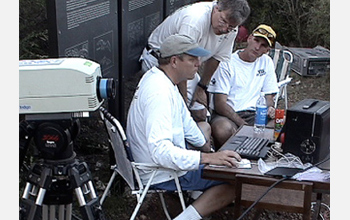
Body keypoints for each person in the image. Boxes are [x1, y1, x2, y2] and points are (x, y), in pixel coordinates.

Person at [127, 34, 242, 220]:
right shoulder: (160, 93)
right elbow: (161, 151)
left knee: (206, 135)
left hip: (157, 162)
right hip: (160, 171)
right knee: (235, 182)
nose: (199, 63)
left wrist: (211, 152)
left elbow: (188, 125)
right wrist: (208, 157)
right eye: (192, 59)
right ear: (174, 61)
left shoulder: (161, 80)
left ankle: (196, 199)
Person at [139, 0, 250, 123]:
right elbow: (181, 60)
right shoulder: (195, 20)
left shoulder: (231, 30)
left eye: (230, 27)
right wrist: (184, 101)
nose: (225, 29)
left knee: (201, 112)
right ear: (216, 8)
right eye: (223, 21)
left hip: (187, 65)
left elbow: (217, 58)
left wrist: (202, 87)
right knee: (176, 111)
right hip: (161, 61)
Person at [208, 24, 279, 148]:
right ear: (249, 38)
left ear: (267, 50)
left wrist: (271, 108)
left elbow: (269, 96)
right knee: (223, 129)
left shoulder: (266, 62)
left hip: (255, 114)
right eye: (256, 41)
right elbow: (220, 104)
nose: (257, 47)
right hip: (228, 114)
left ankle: (256, 153)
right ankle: (243, 153)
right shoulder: (227, 62)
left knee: (282, 124)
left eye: (263, 45)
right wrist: (244, 126)